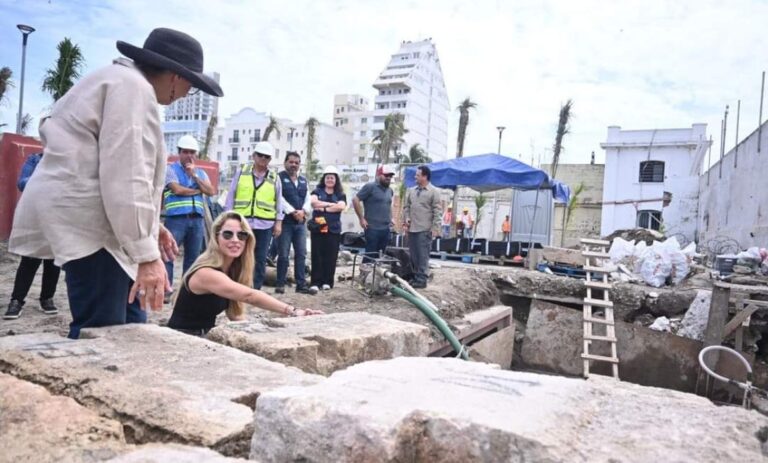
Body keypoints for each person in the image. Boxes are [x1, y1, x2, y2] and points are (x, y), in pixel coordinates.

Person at [8, 28, 223, 339]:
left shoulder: (119, 82)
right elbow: (126, 176)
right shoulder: (133, 89)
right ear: (176, 76)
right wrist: (146, 255)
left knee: (131, 324)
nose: (184, 93)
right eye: (190, 86)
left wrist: (151, 227)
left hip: (101, 222)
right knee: (104, 331)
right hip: (94, 228)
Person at [168, 212, 323, 335]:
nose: (235, 240)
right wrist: (293, 311)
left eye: (242, 235)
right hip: (183, 339)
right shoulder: (206, 272)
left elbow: (235, 315)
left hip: (204, 337)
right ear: (216, 237)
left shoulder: (233, 271)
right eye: (227, 234)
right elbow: (249, 296)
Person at [4, 152, 61, 320]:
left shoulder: (66, 158)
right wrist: (44, 179)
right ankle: (16, 300)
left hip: (58, 215)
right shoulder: (35, 159)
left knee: (53, 261)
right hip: (35, 215)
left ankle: (47, 298)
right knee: (29, 259)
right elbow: (22, 183)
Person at [163, 135, 215, 303]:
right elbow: (177, 189)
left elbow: (211, 191)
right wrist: (198, 190)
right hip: (176, 219)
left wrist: (194, 176)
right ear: (179, 153)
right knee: (168, 254)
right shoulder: (170, 169)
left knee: (193, 258)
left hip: (197, 220)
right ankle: (166, 290)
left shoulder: (200, 173)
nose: (189, 155)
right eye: (185, 152)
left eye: (192, 152)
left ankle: (186, 292)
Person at [225, 141, 283, 290]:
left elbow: (279, 201)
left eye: (266, 156)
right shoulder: (241, 172)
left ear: (270, 159)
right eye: (260, 155)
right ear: (254, 156)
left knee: (260, 258)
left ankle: (255, 289)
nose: (263, 158)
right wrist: (228, 217)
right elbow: (231, 195)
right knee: (238, 255)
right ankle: (236, 286)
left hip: (265, 225)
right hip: (242, 223)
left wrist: (278, 222)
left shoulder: (274, 178)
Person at [275, 151, 317, 295]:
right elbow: (278, 198)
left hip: (300, 223)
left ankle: (301, 284)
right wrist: (293, 211)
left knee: (301, 254)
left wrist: (303, 212)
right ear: (285, 163)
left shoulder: (303, 180)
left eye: (296, 163)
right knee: (283, 254)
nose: (294, 165)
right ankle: (280, 284)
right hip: (285, 222)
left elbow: (308, 199)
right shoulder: (278, 178)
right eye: (291, 162)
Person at [402, 165, 441, 289]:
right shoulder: (412, 191)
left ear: (425, 177)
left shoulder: (434, 192)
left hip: (424, 229)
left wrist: (435, 228)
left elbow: (437, 212)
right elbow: (406, 207)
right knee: (413, 255)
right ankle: (415, 277)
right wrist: (406, 218)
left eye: (418, 175)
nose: (415, 177)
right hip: (412, 228)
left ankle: (422, 279)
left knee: (422, 255)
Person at [308, 166, 347, 292]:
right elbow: (313, 203)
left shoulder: (340, 194)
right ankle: (315, 282)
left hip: (333, 229)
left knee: (331, 256)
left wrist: (323, 208)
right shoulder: (317, 191)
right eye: (327, 177)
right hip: (319, 226)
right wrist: (331, 205)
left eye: (332, 178)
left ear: (336, 180)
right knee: (317, 254)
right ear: (324, 179)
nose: (330, 180)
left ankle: (327, 282)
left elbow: (341, 207)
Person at [352, 164, 395, 261]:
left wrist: (391, 217)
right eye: (386, 175)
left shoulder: (390, 190)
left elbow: (389, 204)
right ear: (379, 175)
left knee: (380, 256)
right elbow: (355, 200)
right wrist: (361, 219)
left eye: (390, 176)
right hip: (372, 228)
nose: (388, 178)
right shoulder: (370, 187)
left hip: (386, 228)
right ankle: (365, 270)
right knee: (370, 255)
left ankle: (377, 271)